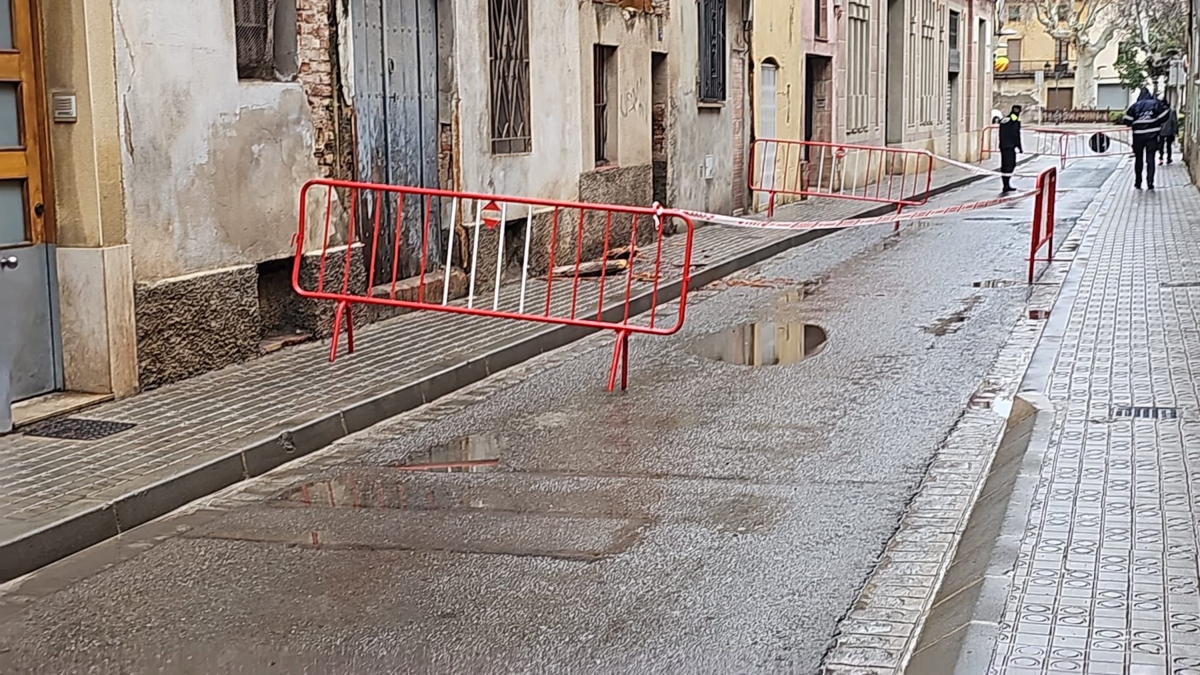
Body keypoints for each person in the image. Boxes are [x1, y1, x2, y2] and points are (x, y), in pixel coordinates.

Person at [1122, 88, 1171, 190]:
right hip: (1152, 136)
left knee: (1138, 159)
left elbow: (1126, 120)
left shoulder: (1135, 106)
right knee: (1150, 159)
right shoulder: (1155, 104)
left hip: (1138, 136)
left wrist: (1137, 121)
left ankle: (1138, 182)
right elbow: (1165, 115)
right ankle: (1150, 182)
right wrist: (1157, 121)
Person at [998, 105, 1023, 193]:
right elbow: (1015, 134)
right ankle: (1006, 185)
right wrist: (1019, 147)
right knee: (1010, 165)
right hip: (1010, 146)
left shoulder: (1005, 119)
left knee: (1004, 166)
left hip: (1003, 146)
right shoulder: (1015, 119)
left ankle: (1005, 184)